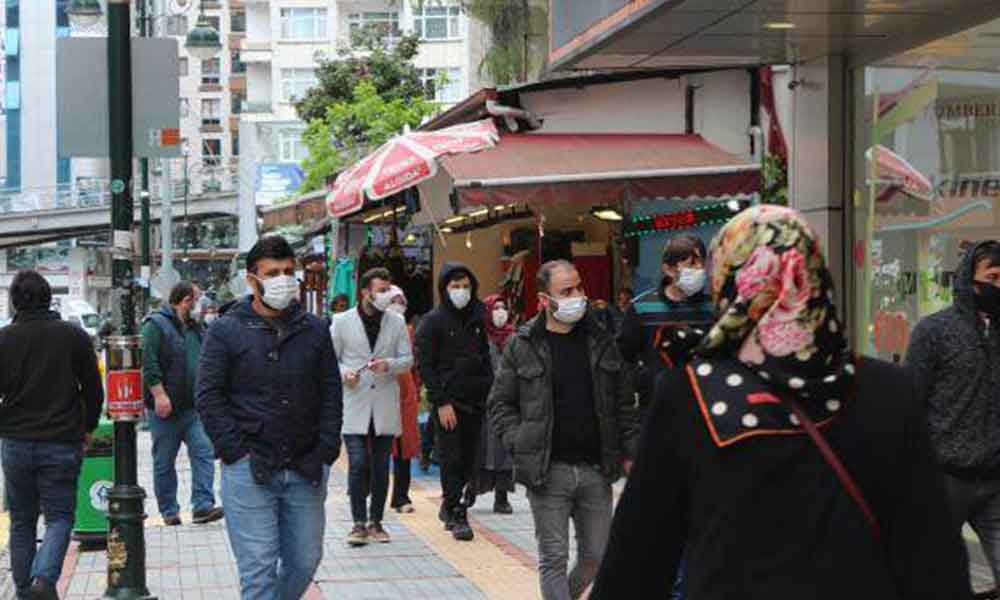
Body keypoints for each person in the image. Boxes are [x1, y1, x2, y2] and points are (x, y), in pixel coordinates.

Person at [591, 205, 972, 599]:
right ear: (815, 273)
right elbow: (933, 557)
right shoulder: (886, 389)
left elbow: (638, 560)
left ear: (732, 283)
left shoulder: (691, 395)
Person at [197, 235, 343, 600]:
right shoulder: (226, 330)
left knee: (305, 561)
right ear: (252, 280)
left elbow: (331, 391)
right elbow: (208, 396)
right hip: (249, 467)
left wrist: (326, 448)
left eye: (288, 271)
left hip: (306, 465)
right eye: (273, 272)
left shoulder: (314, 330)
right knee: (258, 570)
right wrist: (234, 450)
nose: (283, 279)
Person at [489, 260, 639, 600]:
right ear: (544, 300)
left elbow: (623, 402)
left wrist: (630, 452)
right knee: (553, 559)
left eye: (580, 288)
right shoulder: (522, 344)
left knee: (597, 558)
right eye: (567, 291)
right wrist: (518, 441)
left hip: (596, 469)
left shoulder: (601, 340)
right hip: (547, 471)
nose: (578, 297)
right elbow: (500, 403)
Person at [0, 270, 104, 599]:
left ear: (15, 302)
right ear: (49, 298)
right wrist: (87, 427)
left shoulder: (3, 339)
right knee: (59, 517)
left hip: (15, 442)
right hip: (61, 441)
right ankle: (44, 581)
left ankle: (23, 591)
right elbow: (93, 389)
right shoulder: (73, 336)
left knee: (22, 520)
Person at [907, 239, 1000, 584]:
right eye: (992, 276)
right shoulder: (934, 332)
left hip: (995, 480)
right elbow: (911, 401)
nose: (998, 287)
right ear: (968, 279)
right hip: (943, 480)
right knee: (934, 577)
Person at [331, 269, 413, 547]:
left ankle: (376, 521)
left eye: (388, 289)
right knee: (357, 464)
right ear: (365, 292)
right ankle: (357, 523)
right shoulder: (341, 321)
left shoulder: (396, 322)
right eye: (380, 290)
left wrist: (388, 364)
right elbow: (332, 359)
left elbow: (408, 359)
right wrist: (345, 373)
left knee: (380, 465)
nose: (385, 295)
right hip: (354, 400)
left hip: (384, 401)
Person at [415, 262, 493, 542]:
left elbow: (485, 357)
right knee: (451, 458)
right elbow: (425, 365)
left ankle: (455, 505)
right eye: (455, 286)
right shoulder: (432, 322)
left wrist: (489, 390)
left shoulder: (477, 318)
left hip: (476, 400)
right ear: (444, 289)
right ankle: (456, 511)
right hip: (449, 404)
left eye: (465, 286)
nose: (461, 291)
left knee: (472, 459)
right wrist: (441, 401)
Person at [141, 281, 224, 527]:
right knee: (164, 460)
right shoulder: (155, 326)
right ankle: (168, 510)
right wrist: (159, 394)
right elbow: (148, 360)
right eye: (196, 301)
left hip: (193, 406)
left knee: (203, 452)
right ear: (185, 301)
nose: (200, 306)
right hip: (166, 409)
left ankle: (202, 506)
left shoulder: (195, 328)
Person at [618, 234, 714, 424]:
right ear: (668, 269)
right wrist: (645, 380)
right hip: (656, 409)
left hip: (704, 409)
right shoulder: (640, 308)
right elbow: (623, 357)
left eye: (702, 264)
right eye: (691, 264)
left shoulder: (714, 307)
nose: (699, 270)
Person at [469, 294, 516, 514]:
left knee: (504, 449)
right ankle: (470, 492)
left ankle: (502, 497)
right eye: (495, 308)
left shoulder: (514, 337)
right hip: (482, 401)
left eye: (503, 307)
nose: (500, 312)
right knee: (478, 448)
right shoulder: (479, 337)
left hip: (508, 401)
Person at [385, 286, 422, 515]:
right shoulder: (377, 330)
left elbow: (416, 364)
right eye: (393, 301)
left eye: (401, 301)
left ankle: (401, 496)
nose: (398, 305)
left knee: (404, 447)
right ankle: (374, 493)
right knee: (378, 447)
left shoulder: (411, 331)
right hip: (381, 391)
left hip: (406, 393)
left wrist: (416, 389)